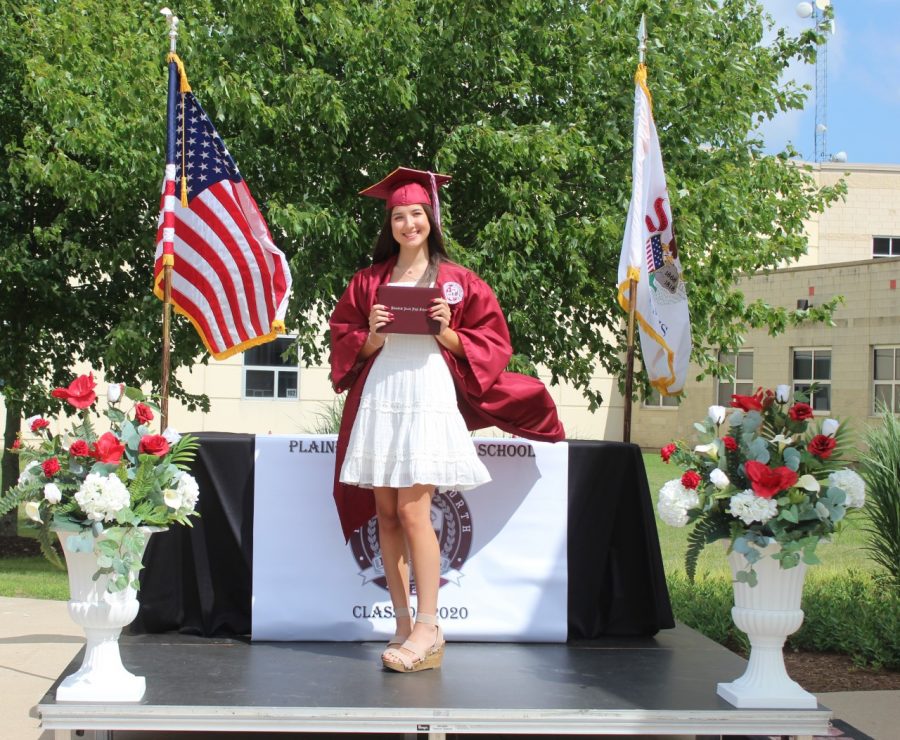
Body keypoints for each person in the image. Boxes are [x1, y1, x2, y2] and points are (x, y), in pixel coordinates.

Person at [329, 166, 564, 673]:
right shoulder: (370, 280)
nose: (408, 223)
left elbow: (494, 341)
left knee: (415, 512)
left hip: (428, 392)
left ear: (430, 219)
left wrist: (447, 330)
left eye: (416, 214)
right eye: (398, 216)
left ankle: (430, 626)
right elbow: (346, 339)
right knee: (386, 515)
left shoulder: (457, 280)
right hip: (383, 391)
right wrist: (369, 333)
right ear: (388, 224)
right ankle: (400, 622)